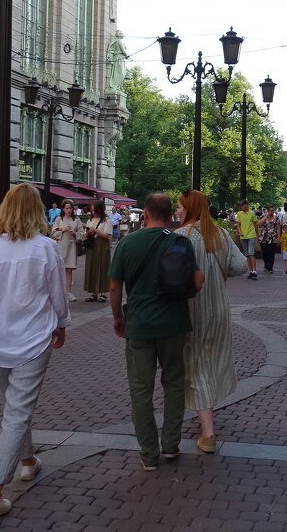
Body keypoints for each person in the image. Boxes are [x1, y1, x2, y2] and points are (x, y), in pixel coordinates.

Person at [0, 183, 71, 520]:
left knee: (16, 407)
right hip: (32, 337)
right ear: (37, 210)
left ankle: (27, 462)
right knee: (17, 412)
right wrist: (62, 322)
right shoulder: (46, 248)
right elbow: (58, 294)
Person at [109, 193, 204, 470]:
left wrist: (118, 318)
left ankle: (148, 453)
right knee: (174, 384)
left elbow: (115, 287)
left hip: (139, 325)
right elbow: (197, 280)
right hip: (174, 323)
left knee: (141, 390)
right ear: (170, 215)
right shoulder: (179, 240)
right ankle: (171, 445)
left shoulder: (128, 242)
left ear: (146, 213)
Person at [175, 190, 247, 453]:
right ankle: (205, 413)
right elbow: (240, 267)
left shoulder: (180, 237)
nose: (178, 211)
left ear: (190, 208)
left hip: (193, 308)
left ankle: (208, 432)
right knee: (210, 360)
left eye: (181, 207)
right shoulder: (221, 233)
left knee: (196, 365)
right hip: (219, 307)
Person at [49, 201, 83, 303]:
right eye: (66, 208)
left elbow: (82, 233)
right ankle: (60, 292)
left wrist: (75, 233)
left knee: (69, 270)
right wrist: (62, 230)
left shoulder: (76, 219)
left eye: (70, 208)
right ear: (63, 209)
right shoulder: (59, 219)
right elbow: (53, 233)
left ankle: (68, 292)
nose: (68, 210)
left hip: (71, 246)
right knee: (60, 270)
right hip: (61, 246)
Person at [83, 200, 112, 302]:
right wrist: (87, 232)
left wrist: (94, 230)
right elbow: (85, 234)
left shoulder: (106, 220)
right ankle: (93, 292)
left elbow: (106, 235)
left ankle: (103, 293)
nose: (92, 212)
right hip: (92, 245)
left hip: (102, 245)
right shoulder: (90, 219)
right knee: (92, 266)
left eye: (94, 210)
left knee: (102, 266)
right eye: (91, 210)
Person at [234, 200, 258, 280]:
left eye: (243, 206)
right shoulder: (239, 214)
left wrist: (257, 235)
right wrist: (240, 232)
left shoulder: (252, 213)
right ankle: (251, 271)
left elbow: (255, 224)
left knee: (251, 253)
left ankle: (254, 271)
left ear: (246, 205)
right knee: (247, 254)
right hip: (243, 236)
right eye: (241, 206)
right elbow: (238, 225)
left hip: (251, 235)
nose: (242, 208)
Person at [256, 206, 280, 274]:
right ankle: (266, 266)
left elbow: (278, 228)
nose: (272, 212)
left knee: (271, 253)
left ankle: (270, 268)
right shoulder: (263, 216)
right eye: (271, 210)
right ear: (268, 211)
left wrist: (279, 237)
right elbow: (258, 224)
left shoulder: (276, 218)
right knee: (265, 253)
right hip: (264, 237)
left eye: (273, 210)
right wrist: (265, 217)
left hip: (273, 237)